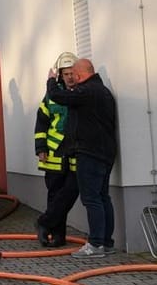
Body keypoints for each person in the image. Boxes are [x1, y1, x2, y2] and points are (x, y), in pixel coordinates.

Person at [49, 58, 119, 257]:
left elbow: (58, 96)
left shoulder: (87, 91)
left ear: (79, 74)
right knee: (103, 197)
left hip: (90, 152)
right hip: (105, 152)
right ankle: (106, 242)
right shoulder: (102, 91)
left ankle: (95, 245)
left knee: (91, 199)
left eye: (74, 74)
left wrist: (51, 80)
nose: (73, 78)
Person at [33, 52, 81, 247]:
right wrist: (41, 147)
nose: (70, 76)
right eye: (66, 73)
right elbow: (41, 122)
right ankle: (57, 235)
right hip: (53, 151)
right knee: (54, 194)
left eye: (72, 73)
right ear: (60, 75)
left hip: (75, 151)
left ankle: (45, 223)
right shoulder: (51, 96)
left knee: (71, 191)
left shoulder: (81, 92)